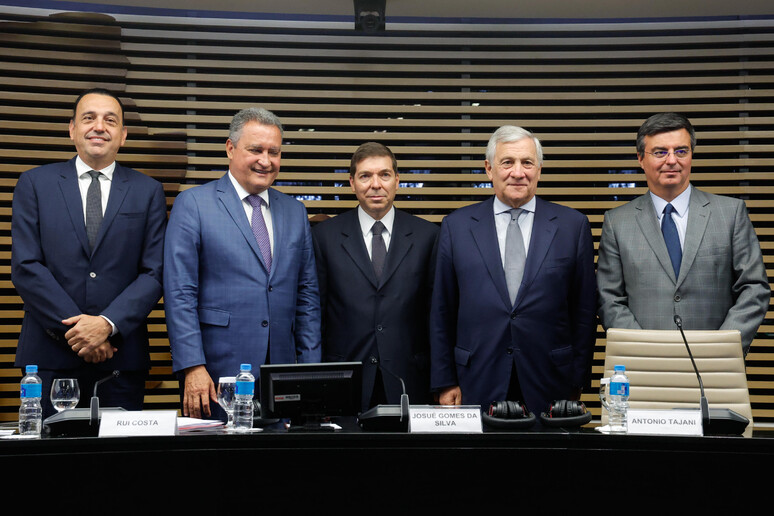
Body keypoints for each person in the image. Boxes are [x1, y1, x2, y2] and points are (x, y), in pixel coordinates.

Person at [11, 88, 166, 418]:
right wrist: (82, 334)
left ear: (122, 135)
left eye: (110, 120)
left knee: (119, 466)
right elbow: (26, 266)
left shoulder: (147, 191)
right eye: (89, 118)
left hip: (120, 358)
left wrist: (107, 326)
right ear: (72, 129)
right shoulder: (35, 184)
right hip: (49, 356)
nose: (99, 126)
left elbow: (154, 273)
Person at [164, 107, 321, 419]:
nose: (266, 160)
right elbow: (180, 294)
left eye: (274, 152)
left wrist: (311, 374)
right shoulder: (193, 204)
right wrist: (192, 366)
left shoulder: (294, 212)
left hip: (283, 375)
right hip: (215, 374)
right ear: (230, 148)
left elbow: (307, 299)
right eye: (256, 149)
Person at [429, 125, 597, 415]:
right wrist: (444, 381)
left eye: (527, 163)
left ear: (539, 170)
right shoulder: (456, 227)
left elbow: (583, 312)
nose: (518, 172)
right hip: (475, 379)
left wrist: (576, 381)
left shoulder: (572, 226)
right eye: (507, 162)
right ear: (488, 168)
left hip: (551, 382)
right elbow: (441, 310)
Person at [597, 112, 770, 355]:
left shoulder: (730, 213)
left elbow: (754, 288)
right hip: (645, 364)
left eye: (681, 151)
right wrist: (643, 350)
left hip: (716, 364)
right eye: (660, 152)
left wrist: (722, 347)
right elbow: (609, 298)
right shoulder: (617, 222)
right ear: (640, 158)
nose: (671, 160)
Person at [312, 142, 439, 411]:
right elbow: (315, 313)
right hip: (344, 377)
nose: (376, 184)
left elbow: (436, 315)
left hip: (410, 378)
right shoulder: (325, 237)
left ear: (397, 181)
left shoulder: (428, 236)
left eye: (384, 174)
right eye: (365, 176)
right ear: (352, 182)